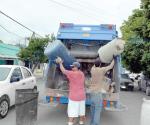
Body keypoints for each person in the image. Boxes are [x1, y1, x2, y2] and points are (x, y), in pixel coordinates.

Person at [55, 57, 86, 125]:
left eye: (73, 67)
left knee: (72, 112)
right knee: (81, 112)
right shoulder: (82, 73)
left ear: (76, 67)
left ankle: (70, 123)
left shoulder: (72, 73)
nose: (72, 68)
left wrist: (60, 63)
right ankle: (81, 122)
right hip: (82, 96)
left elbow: (63, 70)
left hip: (74, 97)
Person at [89, 58, 114, 125]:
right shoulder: (102, 70)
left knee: (92, 109)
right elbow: (111, 66)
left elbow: (95, 65)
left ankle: (91, 123)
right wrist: (114, 59)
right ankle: (95, 123)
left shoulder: (92, 69)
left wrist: (97, 62)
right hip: (97, 93)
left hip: (91, 93)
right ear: (100, 65)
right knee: (97, 110)